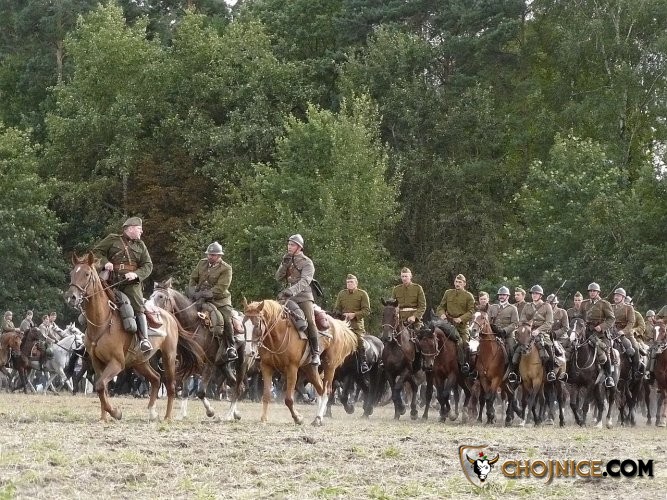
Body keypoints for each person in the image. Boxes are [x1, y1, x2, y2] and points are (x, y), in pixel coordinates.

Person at [92, 216, 153, 353]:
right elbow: (96, 252)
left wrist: (135, 274)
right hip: (111, 281)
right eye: (139, 228)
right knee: (93, 301)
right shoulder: (112, 239)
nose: (141, 231)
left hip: (131, 284)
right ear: (130, 229)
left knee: (138, 306)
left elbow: (148, 265)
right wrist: (105, 262)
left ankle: (144, 339)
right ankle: (87, 341)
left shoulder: (140, 245)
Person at [275, 234, 320, 365]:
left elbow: (305, 281)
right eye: (289, 244)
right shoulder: (287, 260)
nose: (289, 247)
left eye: (292, 245)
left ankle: (315, 352)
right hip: (288, 297)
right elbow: (278, 277)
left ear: (299, 247)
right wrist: (284, 264)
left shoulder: (307, 262)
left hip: (304, 296)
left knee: (310, 321)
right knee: (272, 316)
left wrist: (292, 291)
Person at [188, 241, 237, 362]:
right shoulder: (202, 263)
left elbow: (221, 288)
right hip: (199, 298)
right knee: (182, 312)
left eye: (213, 255)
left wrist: (203, 294)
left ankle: (230, 346)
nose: (210, 256)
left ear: (219, 256)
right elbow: (193, 279)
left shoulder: (226, 268)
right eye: (209, 254)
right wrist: (192, 292)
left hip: (219, 300)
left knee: (226, 319)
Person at [436, 274, 475, 376]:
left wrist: (460, 319)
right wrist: (442, 314)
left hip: (461, 326)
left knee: (464, 343)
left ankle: (464, 364)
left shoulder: (468, 296)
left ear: (464, 284)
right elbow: (440, 307)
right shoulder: (448, 293)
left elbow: (471, 311)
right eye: (456, 282)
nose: (457, 284)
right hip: (447, 323)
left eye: (460, 282)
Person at [333, 274, 371, 373]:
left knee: (359, 340)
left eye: (351, 282)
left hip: (356, 325)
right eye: (348, 282)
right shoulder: (342, 294)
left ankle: (363, 362)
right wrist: (341, 314)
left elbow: (366, 310)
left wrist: (354, 315)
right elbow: (336, 308)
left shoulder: (362, 294)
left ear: (356, 283)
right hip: (343, 324)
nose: (349, 284)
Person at [580, 282, 616, 387]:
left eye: (594, 291)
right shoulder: (584, 304)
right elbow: (580, 316)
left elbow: (611, 319)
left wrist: (602, 326)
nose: (592, 293)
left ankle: (609, 376)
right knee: (573, 345)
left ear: (598, 292)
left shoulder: (604, 304)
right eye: (590, 291)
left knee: (604, 350)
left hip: (600, 334)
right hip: (586, 332)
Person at [519, 285, 556, 382]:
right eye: (533, 293)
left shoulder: (547, 306)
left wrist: (538, 330)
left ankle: (551, 371)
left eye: (536, 293)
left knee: (548, 347)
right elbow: (522, 320)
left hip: (542, 332)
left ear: (540, 295)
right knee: (517, 348)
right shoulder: (527, 306)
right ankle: (515, 373)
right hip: (528, 331)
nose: (534, 295)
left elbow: (549, 323)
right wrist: (528, 326)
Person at [489, 286, 519, 382]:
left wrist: (504, 331)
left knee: (512, 350)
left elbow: (515, 323)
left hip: (507, 335)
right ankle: (476, 370)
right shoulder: (493, 307)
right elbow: (488, 321)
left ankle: (512, 372)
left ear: (508, 296)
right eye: (500, 295)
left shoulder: (512, 308)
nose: (501, 296)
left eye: (503, 295)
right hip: (494, 334)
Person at [612, 288, 640, 378]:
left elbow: (631, 322)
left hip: (626, 333)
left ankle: (635, 371)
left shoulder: (628, 308)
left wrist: (623, 331)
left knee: (635, 347)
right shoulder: (610, 307)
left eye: (618, 296)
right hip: (612, 332)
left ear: (623, 298)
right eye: (615, 295)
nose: (616, 297)